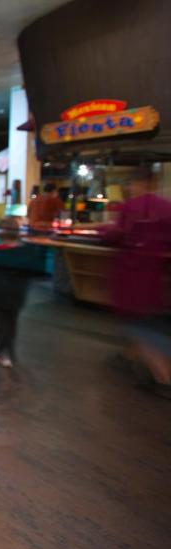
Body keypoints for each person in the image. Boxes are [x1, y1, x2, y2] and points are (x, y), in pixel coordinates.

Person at [103, 165, 171, 395]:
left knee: (141, 326)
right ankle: (128, 357)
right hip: (158, 275)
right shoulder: (167, 207)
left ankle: (163, 378)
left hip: (133, 272)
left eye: (132, 184)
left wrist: (104, 232)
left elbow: (116, 235)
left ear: (139, 183)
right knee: (147, 322)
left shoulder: (130, 207)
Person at [0, 216, 31, 367]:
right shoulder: (25, 252)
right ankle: (8, 351)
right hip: (17, 294)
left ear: (0, 234)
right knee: (11, 322)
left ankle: (4, 352)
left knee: (1, 324)